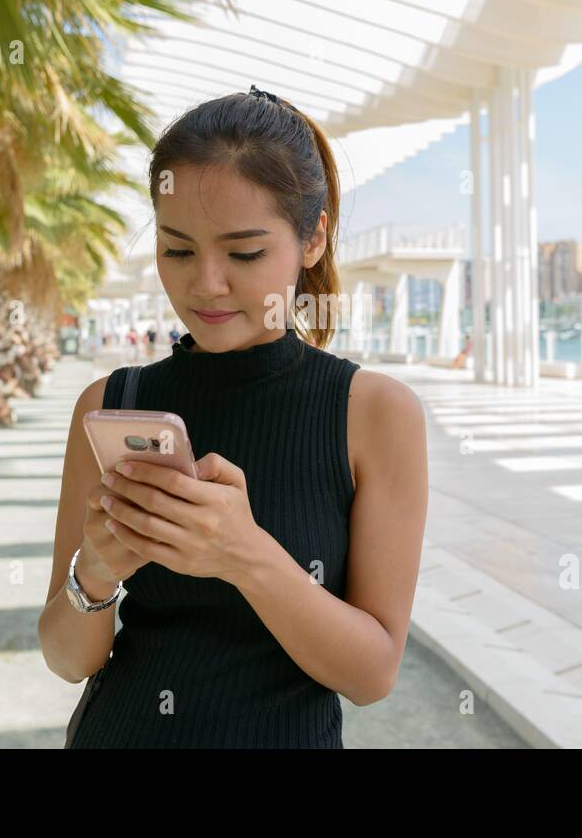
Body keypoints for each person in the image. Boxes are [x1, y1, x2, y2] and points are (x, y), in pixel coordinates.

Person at [39, 86, 429, 748]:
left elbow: (372, 673)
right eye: (178, 249)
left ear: (313, 239)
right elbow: (67, 657)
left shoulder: (374, 413)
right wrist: (96, 572)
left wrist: (244, 556)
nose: (206, 283)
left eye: (244, 253)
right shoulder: (110, 402)